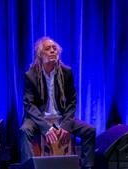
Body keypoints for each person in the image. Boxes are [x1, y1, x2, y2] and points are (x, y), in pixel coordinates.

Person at [19, 37, 95, 169]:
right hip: (39, 118)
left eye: (54, 49)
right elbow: (29, 105)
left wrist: (65, 125)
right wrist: (46, 128)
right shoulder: (30, 75)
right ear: (40, 54)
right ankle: (29, 167)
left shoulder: (66, 72)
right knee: (24, 130)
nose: (53, 51)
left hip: (61, 117)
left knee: (89, 130)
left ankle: (87, 167)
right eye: (48, 49)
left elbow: (72, 101)